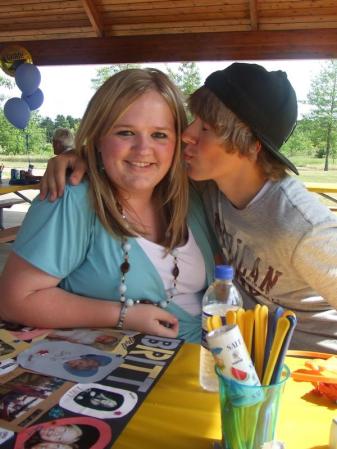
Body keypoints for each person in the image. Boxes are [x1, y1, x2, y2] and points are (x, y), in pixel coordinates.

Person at [39, 63, 337, 352]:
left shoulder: (301, 227)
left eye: (206, 128)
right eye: (193, 120)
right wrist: (82, 156)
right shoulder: (209, 185)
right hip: (249, 356)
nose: (187, 134)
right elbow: (135, 155)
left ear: (250, 145)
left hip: (310, 368)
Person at [0, 68, 216, 343]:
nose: (142, 149)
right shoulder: (72, 198)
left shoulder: (191, 195)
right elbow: (15, 300)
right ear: (99, 136)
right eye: (125, 132)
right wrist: (124, 314)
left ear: (178, 141)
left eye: (159, 135)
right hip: (127, 372)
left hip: (207, 367)